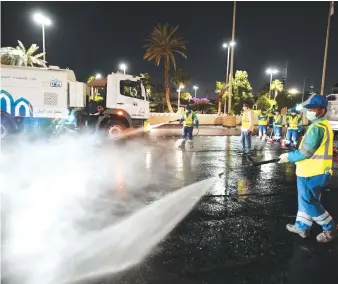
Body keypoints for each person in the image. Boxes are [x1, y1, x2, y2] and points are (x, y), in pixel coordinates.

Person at [279, 95, 337, 243]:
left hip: (312, 173)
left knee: (309, 202)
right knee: (306, 202)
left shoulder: (317, 128)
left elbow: (305, 152)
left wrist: (288, 157)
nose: (308, 111)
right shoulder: (321, 125)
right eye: (308, 108)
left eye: (312, 108)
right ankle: (302, 227)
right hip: (313, 171)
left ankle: (330, 228)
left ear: (322, 110)